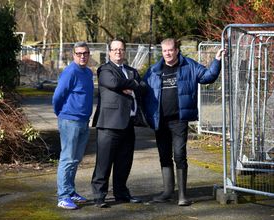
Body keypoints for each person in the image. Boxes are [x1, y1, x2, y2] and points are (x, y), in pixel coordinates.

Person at [143, 38, 224, 206]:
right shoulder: (154, 70)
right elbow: (143, 90)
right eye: (165, 51)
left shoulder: (189, 66)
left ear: (177, 50)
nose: (168, 53)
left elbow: (208, 77)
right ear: (162, 52)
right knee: (164, 156)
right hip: (161, 121)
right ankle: (167, 192)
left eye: (170, 50)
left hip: (179, 120)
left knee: (179, 155)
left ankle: (182, 196)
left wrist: (217, 60)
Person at [91, 38, 146, 208]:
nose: (118, 52)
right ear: (109, 52)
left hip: (128, 123)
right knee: (104, 163)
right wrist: (133, 84)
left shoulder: (131, 71)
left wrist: (133, 85)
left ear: (124, 51)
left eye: (121, 49)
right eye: (114, 49)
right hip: (109, 124)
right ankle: (99, 196)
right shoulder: (105, 70)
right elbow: (114, 83)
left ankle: (121, 193)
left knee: (124, 162)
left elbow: (143, 86)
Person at [52, 42, 94, 210]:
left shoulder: (88, 72)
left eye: (85, 53)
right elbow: (57, 96)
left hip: (84, 121)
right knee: (68, 158)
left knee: (76, 159)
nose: (82, 56)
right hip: (70, 121)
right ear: (73, 55)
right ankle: (62, 197)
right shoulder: (70, 72)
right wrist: (62, 113)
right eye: (78, 53)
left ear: (89, 54)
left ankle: (70, 191)